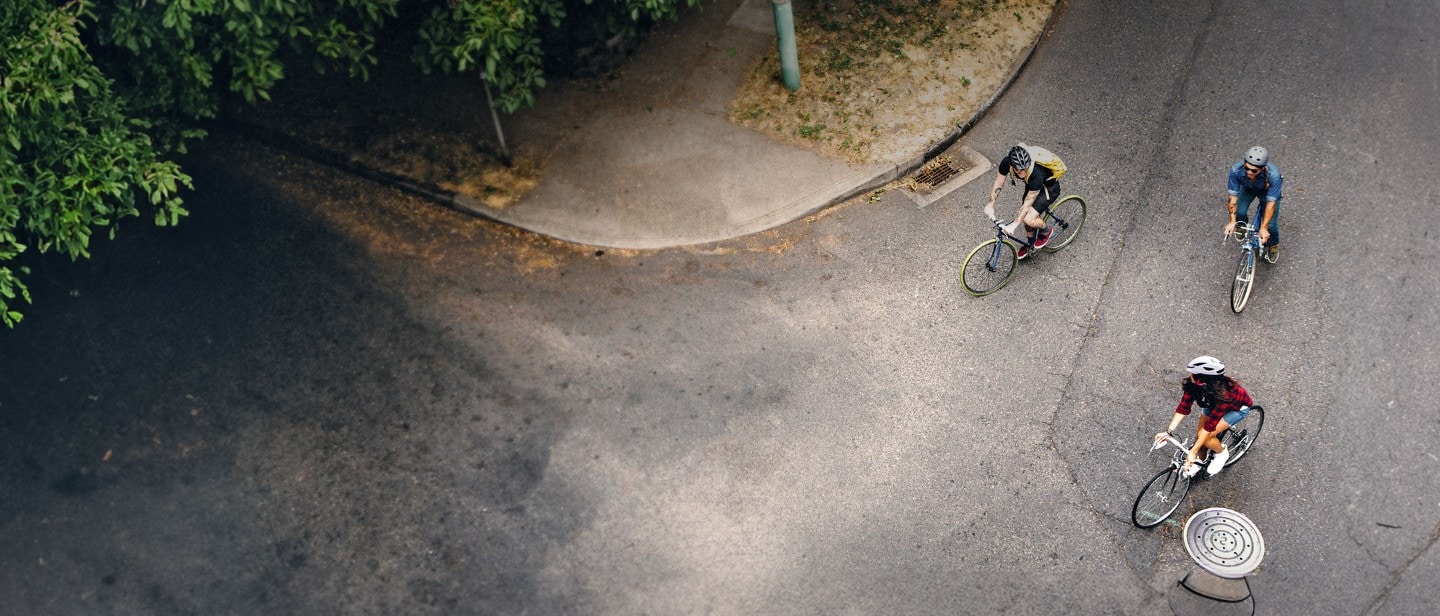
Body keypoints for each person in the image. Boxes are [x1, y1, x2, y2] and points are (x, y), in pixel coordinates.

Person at [1154, 356, 1255, 477]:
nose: (1189, 375)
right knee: (1199, 437)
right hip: (1211, 402)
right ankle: (1200, 462)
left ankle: (1222, 453)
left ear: (1202, 380)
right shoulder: (1194, 384)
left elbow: (1209, 427)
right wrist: (1169, 432)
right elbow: (1183, 408)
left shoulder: (1224, 394)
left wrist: (1193, 451)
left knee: (1205, 438)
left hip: (1237, 408)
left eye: (1193, 373)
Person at [984, 143, 1066, 259]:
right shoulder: (1006, 163)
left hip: (1048, 189)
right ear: (1011, 165)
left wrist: (1014, 225)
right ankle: (1031, 244)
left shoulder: (1035, 173)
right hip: (1032, 186)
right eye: (1019, 169)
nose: (1022, 172)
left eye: (1025, 168)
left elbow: (1028, 202)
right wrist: (990, 203)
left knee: (1028, 219)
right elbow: (998, 182)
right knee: (1023, 214)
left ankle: (1046, 231)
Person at [1223, 146, 1284, 263]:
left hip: (1267, 192)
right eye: (1247, 168)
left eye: (1254, 171)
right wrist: (1232, 221)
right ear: (1244, 163)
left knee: (1271, 226)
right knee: (1239, 213)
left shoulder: (1273, 175)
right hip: (1248, 188)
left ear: (1262, 168)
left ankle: (1273, 245)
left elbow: (1271, 204)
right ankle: (1241, 225)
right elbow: (1232, 197)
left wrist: (1264, 227)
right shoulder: (1236, 170)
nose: (1249, 172)